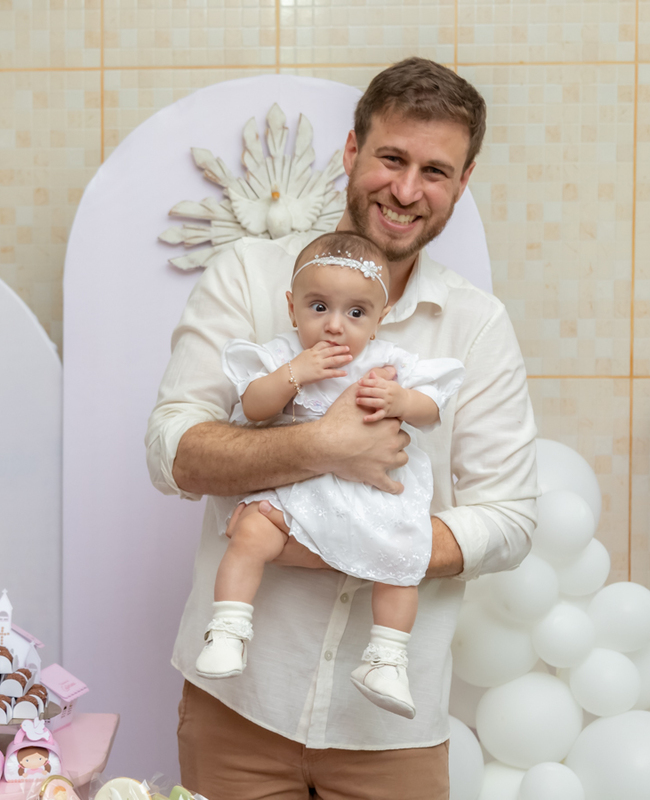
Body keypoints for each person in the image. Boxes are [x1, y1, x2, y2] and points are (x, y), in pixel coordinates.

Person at [146, 57, 538, 800]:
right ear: (352, 151)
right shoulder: (249, 275)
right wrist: (322, 445)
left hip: (390, 733)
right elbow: (174, 452)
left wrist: (358, 542)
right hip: (239, 707)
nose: (407, 190)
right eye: (391, 158)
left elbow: (511, 519)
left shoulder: (477, 326)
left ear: (463, 181)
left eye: (435, 170)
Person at [196, 230, 465, 723]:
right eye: (318, 307)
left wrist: (403, 400)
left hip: (368, 495)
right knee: (253, 530)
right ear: (292, 307)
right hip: (298, 488)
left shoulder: (387, 363)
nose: (335, 326)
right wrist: (294, 374)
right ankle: (228, 628)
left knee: (403, 559)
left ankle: (387, 659)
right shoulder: (281, 354)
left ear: (380, 319)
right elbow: (253, 407)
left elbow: (431, 407)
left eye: (356, 313)